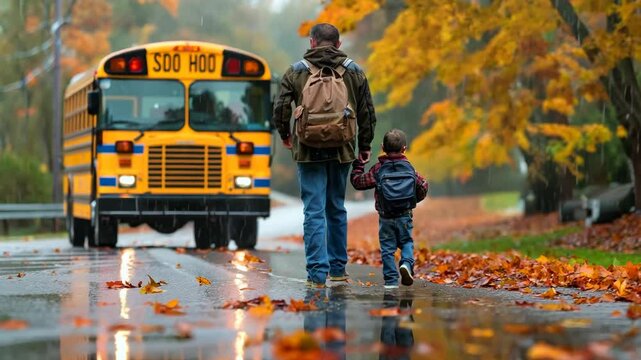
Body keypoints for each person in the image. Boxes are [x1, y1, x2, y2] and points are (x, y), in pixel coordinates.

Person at [272, 23, 377, 287]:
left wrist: (285, 134)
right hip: (342, 150)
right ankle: (339, 270)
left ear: (312, 43)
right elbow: (366, 112)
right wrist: (364, 145)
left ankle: (317, 274)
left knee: (314, 211)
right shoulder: (354, 72)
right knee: (336, 209)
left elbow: (281, 108)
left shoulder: (296, 72)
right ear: (339, 45)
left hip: (308, 150)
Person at [350, 129, 428, 289]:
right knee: (406, 241)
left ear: (382, 147)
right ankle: (406, 264)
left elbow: (358, 182)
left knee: (387, 248)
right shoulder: (409, 168)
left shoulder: (378, 169)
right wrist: (412, 200)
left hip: (385, 216)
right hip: (405, 215)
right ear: (404, 149)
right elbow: (423, 185)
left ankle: (391, 281)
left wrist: (358, 165)